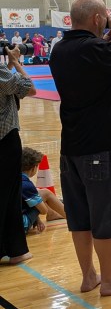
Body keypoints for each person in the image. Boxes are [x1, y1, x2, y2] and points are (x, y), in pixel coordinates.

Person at [50, 0, 111, 295]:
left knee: (79, 215)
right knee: (105, 212)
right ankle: (110, 279)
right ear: (96, 19)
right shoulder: (95, 47)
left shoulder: (60, 49)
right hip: (101, 145)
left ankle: (89, 275)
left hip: (71, 146)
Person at [0, 44, 36, 264]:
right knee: (9, 195)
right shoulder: (2, 73)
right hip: (4, 140)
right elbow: (31, 88)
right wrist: (15, 62)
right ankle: (15, 250)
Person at [21, 146, 66, 233]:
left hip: (6, 225)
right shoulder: (26, 185)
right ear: (34, 167)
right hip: (21, 226)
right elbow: (43, 211)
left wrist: (37, 219)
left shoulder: (11, 180)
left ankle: (53, 214)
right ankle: (72, 218)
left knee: (36, 195)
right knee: (45, 193)